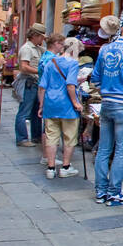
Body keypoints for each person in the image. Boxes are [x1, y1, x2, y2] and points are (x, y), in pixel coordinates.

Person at [92, 15, 123, 206]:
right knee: (121, 151)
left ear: (122, 30)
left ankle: (100, 191)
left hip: (106, 103)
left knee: (104, 149)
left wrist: (107, 90)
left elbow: (95, 80)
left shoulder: (105, 50)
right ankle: (114, 193)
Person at [38, 33, 83, 179]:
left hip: (50, 104)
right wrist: (76, 103)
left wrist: (41, 105)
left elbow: (42, 87)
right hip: (67, 106)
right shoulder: (73, 63)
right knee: (69, 137)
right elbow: (70, 85)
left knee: (52, 137)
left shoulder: (51, 62)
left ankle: (50, 168)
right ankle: (65, 167)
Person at [15, 23, 47, 148]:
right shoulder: (27, 48)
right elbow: (24, 67)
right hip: (29, 82)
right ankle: (22, 138)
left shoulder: (38, 48)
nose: (42, 39)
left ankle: (36, 136)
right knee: (24, 111)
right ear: (35, 36)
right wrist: (39, 71)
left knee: (36, 112)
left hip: (36, 83)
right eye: (41, 37)